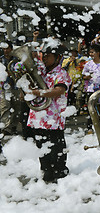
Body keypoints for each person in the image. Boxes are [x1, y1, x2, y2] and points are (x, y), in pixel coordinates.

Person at [23, 39, 72, 183]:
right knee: (42, 149)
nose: (44, 58)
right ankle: (46, 173)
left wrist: (38, 93)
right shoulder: (41, 71)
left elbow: (59, 90)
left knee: (56, 150)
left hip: (53, 120)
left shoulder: (61, 74)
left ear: (57, 57)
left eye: (48, 55)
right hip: (38, 118)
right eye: (43, 55)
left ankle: (59, 174)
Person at [82, 44, 100, 133]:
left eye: (92, 52)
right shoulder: (88, 64)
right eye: (90, 52)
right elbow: (83, 76)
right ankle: (89, 127)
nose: (90, 54)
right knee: (91, 108)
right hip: (91, 89)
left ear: (98, 53)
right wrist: (88, 77)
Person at [0, 40, 22, 136]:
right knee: (5, 107)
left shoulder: (17, 60)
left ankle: (13, 125)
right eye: (3, 49)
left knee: (17, 107)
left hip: (16, 86)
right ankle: (6, 128)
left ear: (11, 49)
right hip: (4, 87)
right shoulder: (0, 60)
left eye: (7, 48)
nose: (5, 51)